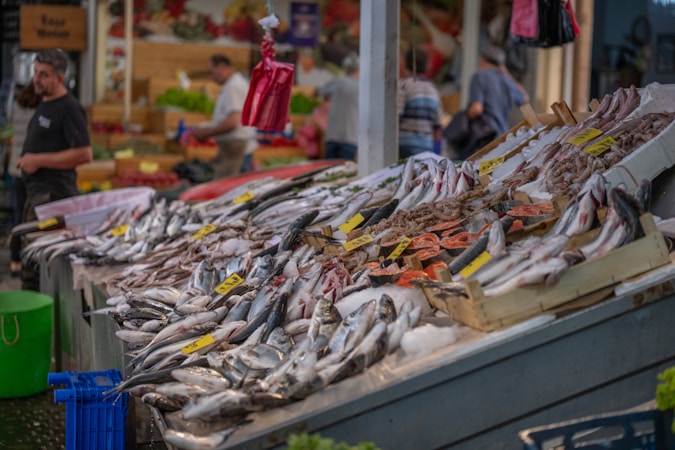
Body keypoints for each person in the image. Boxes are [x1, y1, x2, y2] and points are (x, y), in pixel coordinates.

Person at [17, 49, 92, 291]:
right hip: (37, 194)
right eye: (36, 72)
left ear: (60, 78)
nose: (37, 79)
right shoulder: (45, 102)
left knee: (39, 264)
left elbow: (84, 153)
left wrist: (38, 160)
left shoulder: (69, 107)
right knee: (31, 257)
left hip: (54, 196)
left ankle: (37, 313)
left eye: (44, 74)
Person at [191, 54, 258, 178]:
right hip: (234, 147)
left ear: (222, 67)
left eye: (213, 72)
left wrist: (207, 133)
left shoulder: (234, 86)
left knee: (229, 188)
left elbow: (232, 122)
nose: (212, 77)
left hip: (236, 147)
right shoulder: (232, 85)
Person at [464, 45, 529, 154]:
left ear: (481, 60)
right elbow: (525, 98)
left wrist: (465, 118)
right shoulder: (506, 80)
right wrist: (506, 73)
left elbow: (476, 109)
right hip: (503, 136)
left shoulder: (479, 76)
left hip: (484, 137)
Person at [7, 82, 41, 277]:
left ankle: (14, 261)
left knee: (18, 215)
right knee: (31, 218)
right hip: (32, 170)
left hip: (15, 167)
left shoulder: (17, 107)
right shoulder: (39, 110)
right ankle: (30, 259)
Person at [398, 46, 444, 159]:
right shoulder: (433, 89)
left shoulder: (403, 86)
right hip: (425, 150)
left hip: (403, 148)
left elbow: (394, 118)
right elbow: (438, 128)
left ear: (404, 63)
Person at [320, 53, 360, 160]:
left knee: (328, 172)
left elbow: (320, 92)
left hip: (332, 137)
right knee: (344, 173)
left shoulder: (337, 82)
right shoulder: (362, 86)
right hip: (350, 139)